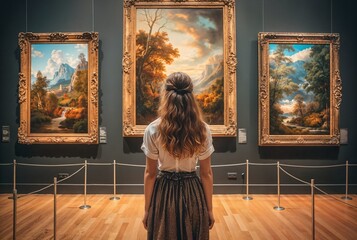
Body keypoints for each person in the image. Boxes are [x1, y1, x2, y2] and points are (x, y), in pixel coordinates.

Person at [141, 72, 215, 240]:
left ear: (165, 95)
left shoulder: (153, 129)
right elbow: (206, 173)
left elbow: (150, 174)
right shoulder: (202, 129)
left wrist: (147, 210)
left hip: (164, 193)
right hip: (192, 191)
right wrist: (209, 209)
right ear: (191, 96)